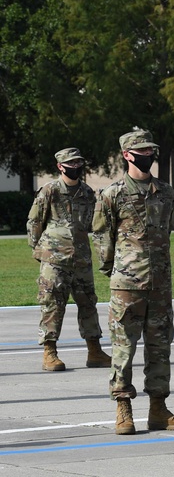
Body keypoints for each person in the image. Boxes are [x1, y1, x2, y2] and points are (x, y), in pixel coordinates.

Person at [92, 128, 174, 435]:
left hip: (160, 284)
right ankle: (123, 408)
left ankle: (158, 409)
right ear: (127, 155)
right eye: (142, 152)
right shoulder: (112, 194)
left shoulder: (166, 192)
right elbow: (100, 234)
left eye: (151, 151)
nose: (148, 156)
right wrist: (114, 268)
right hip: (127, 286)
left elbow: (167, 230)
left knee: (160, 347)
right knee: (123, 348)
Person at [26, 147, 112, 371]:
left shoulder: (86, 192)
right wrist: (39, 251)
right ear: (60, 166)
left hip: (81, 259)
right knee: (52, 304)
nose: (75, 167)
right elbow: (34, 222)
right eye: (71, 164)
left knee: (88, 304)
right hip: (55, 261)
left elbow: (96, 224)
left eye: (78, 163)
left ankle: (94, 350)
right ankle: (49, 352)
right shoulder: (50, 191)